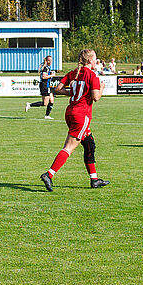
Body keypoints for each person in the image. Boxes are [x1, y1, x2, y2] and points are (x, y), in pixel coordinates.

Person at [41, 47, 108, 191]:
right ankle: (49, 174)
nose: (96, 61)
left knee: (90, 144)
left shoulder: (74, 73)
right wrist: (102, 87)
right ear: (90, 60)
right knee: (69, 147)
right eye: (95, 58)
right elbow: (96, 97)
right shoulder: (92, 76)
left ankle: (94, 179)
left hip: (70, 112)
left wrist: (73, 93)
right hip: (81, 115)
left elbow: (58, 89)